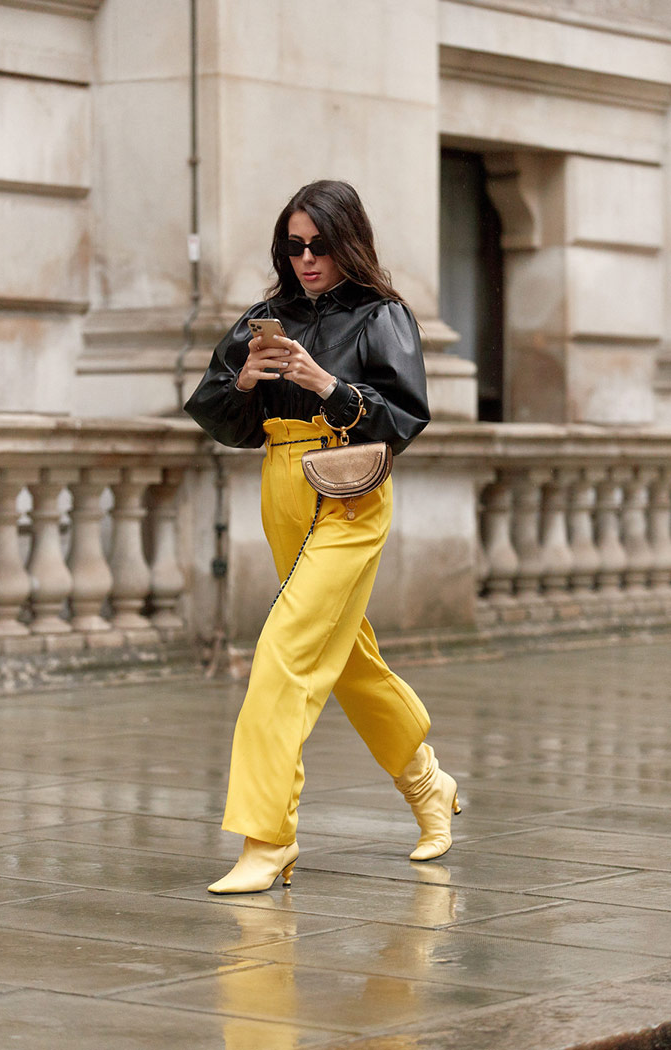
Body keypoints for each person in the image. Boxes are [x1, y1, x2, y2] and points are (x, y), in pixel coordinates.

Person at [185, 180, 460, 894]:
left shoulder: (382, 315)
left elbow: (405, 417)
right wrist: (244, 379)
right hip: (281, 485)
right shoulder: (263, 317)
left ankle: (267, 837)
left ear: (348, 243)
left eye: (319, 246)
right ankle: (428, 784)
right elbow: (217, 417)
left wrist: (329, 386)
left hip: (349, 494)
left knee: (283, 652)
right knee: (345, 656)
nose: (305, 259)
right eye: (293, 246)